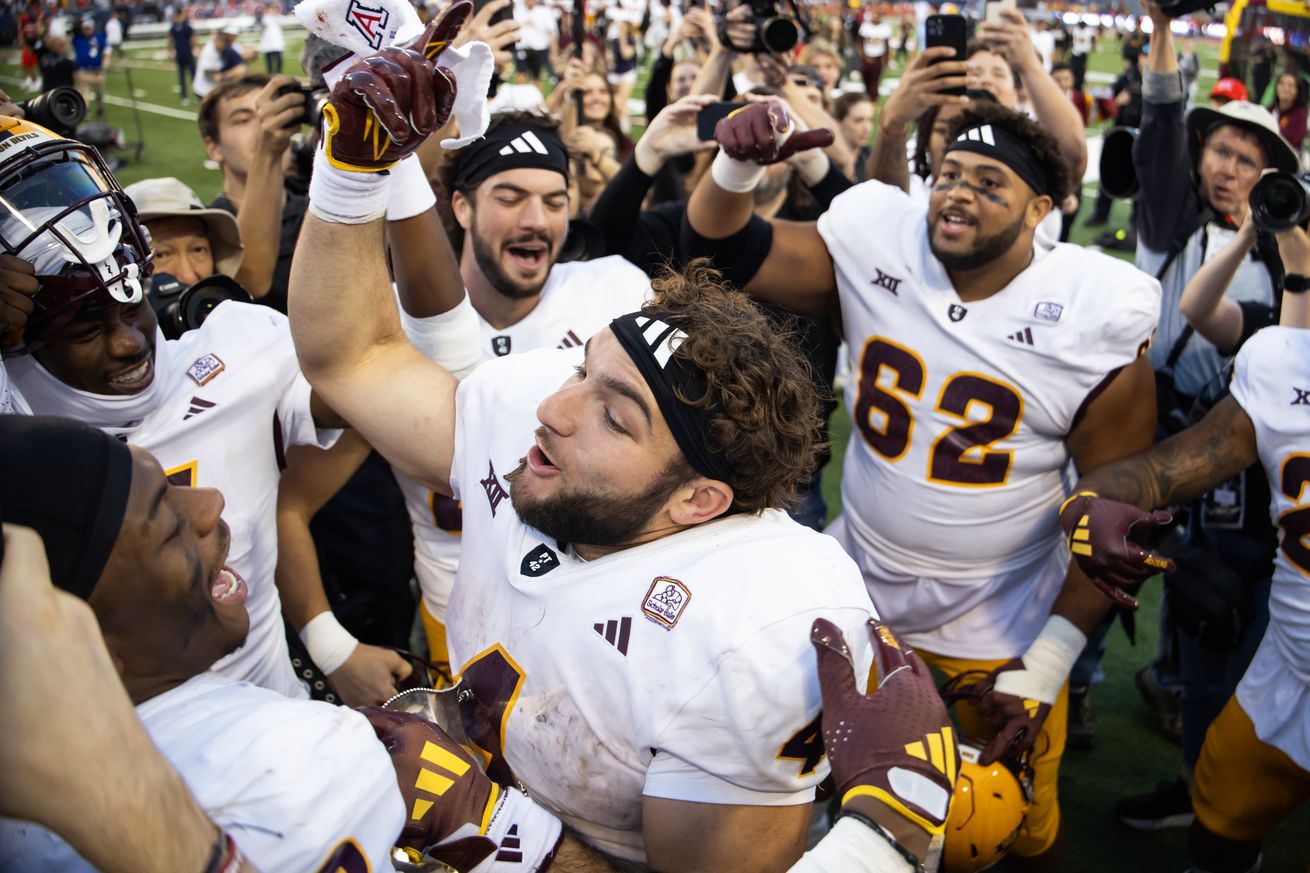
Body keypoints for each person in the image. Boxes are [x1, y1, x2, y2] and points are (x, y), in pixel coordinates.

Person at [285, 32, 959, 869]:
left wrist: (504, 832)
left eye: (617, 416)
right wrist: (352, 172)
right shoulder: (536, 418)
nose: (555, 410)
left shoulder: (761, 618)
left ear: (699, 500)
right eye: (581, 371)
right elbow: (349, 355)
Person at [685, 98, 1163, 871]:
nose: (958, 192)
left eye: (988, 180)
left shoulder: (1089, 312)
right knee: (825, 788)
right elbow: (722, 248)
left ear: (1043, 209)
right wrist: (736, 166)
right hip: (859, 592)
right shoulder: (884, 247)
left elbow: (1121, 504)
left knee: (1010, 822)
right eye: (946, 174)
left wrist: (1045, 665)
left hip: (1001, 614)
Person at [0, 116, 343, 699]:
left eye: (132, 307)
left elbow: (373, 378)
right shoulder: (17, 430)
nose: (131, 341)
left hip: (284, 732)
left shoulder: (234, 344)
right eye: (87, 329)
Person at [0, 416, 407, 872]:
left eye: (174, 486)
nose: (210, 503)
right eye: (169, 522)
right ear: (71, 639)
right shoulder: (303, 763)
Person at [1121, 0, 1301, 829]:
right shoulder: (1170, 216)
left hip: (1244, 455)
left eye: (1250, 160)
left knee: (1219, 589)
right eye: (1221, 150)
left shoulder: (1288, 257)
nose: (1229, 168)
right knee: (1160, 570)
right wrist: (1161, 30)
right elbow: (1159, 122)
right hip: (1155, 421)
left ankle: (1190, 703)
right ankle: (1160, 686)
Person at [1053, 311, 1310, 872]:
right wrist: (1091, 502)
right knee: (1219, 825)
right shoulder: (1283, 362)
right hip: (1289, 679)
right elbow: (1159, 472)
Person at [408, 111, 649, 678]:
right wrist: (328, 639)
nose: (536, 220)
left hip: (593, 615)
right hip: (455, 611)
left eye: (555, 200)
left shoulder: (612, 292)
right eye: (510, 197)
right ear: (461, 206)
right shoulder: (400, 317)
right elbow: (300, 494)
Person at [199, 73, 310, 308]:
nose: (264, 126)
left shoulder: (319, 209)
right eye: (243, 120)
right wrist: (267, 151)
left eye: (272, 114)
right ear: (214, 148)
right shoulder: (205, 231)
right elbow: (250, 283)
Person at [193, 25, 247, 101]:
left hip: (216, 89)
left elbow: (241, 60)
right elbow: (206, 73)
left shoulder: (226, 48)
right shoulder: (209, 51)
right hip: (205, 90)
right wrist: (223, 76)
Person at [70, 17, 106, 119]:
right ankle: (85, 110)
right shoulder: (78, 39)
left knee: (99, 92)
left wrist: (104, 63)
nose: (87, 31)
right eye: (85, 28)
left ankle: (100, 107)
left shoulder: (99, 37)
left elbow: (105, 50)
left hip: (96, 70)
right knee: (84, 91)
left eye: (88, 28)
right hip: (83, 70)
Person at [515, 0, 557, 83]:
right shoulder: (517, 11)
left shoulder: (545, 11)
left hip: (539, 48)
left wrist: (554, 51)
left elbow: (551, 33)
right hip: (522, 47)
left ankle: (537, 95)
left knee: (537, 77)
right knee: (520, 75)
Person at [1270, 70, 1307, 150]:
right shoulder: (1270, 109)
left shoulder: (1300, 115)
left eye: (1290, 86)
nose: (1285, 89)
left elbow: (1288, 141)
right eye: (1282, 84)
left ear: (1297, 91)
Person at [168, 7, 197, 105]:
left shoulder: (174, 27)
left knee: (182, 77)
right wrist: (195, 47)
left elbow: (169, 40)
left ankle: (185, 97)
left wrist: (170, 51)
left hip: (180, 54)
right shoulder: (187, 26)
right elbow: (193, 38)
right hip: (187, 54)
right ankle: (196, 95)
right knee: (192, 76)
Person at [256, 4, 285, 74]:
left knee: (279, 59)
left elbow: (283, 26)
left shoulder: (278, 17)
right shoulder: (264, 18)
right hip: (268, 42)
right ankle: (270, 74)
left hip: (277, 41)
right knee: (269, 60)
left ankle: (278, 73)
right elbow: (261, 30)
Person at [1070, 19, 1094, 91]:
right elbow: (1080, 39)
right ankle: (1074, 84)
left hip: (1083, 54)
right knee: (1074, 69)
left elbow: (1083, 39)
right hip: (1076, 52)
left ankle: (1079, 85)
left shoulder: (1088, 31)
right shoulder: (1076, 30)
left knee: (1081, 70)